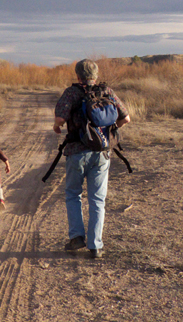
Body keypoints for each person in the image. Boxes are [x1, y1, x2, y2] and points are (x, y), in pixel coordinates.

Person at [52, 59, 130, 259]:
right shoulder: (107, 92)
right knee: (97, 199)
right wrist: (108, 132)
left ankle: (77, 238)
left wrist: (57, 127)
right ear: (95, 75)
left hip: (76, 152)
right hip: (102, 153)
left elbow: (60, 119)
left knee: (73, 194)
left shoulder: (72, 93)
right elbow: (126, 118)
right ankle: (95, 246)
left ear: (78, 76)